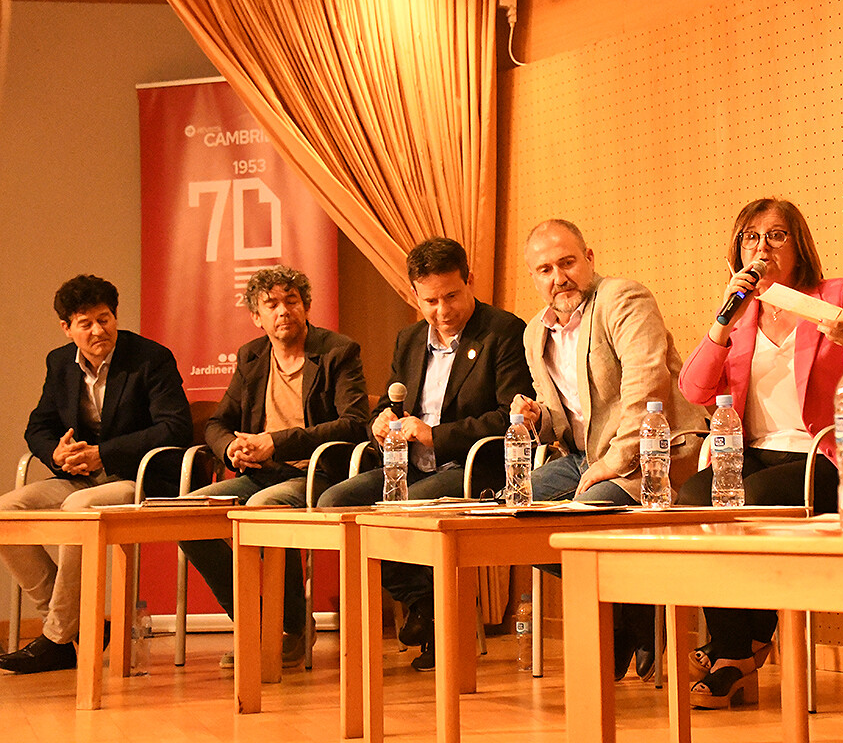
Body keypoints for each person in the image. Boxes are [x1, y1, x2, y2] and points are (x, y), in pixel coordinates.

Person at [676, 197, 843, 709]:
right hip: (750, 455)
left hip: (822, 457)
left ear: (798, 244)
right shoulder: (741, 315)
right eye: (750, 238)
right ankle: (744, 646)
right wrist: (721, 321)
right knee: (693, 499)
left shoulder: (835, 294)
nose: (762, 248)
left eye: (775, 236)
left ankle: (735, 656)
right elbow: (694, 389)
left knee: (747, 503)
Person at [317, 237, 532, 671]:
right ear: (414, 294)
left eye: (452, 295)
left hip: (472, 467)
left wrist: (436, 435)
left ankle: (440, 624)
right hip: (409, 466)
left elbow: (512, 417)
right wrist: (381, 420)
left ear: (469, 281)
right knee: (334, 504)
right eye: (430, 300)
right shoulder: (410, 339)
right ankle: (425, 604)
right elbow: (393, 401)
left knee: (407, 509)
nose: (442, 310)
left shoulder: (503, 331)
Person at [511, 218, 707, 679]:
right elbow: (563, 419)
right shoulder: (534, 333)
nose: (558, 278)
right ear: (533, 277)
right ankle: (632, 611)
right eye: (544, 270)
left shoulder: (623, 298)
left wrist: (615, 461)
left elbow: (647, 383)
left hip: (655, 452)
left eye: (567, 263)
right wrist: (537, 417)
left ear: (589, 259)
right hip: (583, 458)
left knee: (588, 510)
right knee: (513, 517)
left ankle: (626, 623)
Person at [179, 265, 369, 668]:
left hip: (316, 474)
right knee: (186, 515)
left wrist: (275, 443)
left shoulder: (338, 351)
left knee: (262, 509)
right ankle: (258, 622)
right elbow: (216, 422)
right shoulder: (252, 356)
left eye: (291, 301)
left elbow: (353, 423)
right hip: (260, 474)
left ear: (306, 307)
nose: (283, 311)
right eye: (272, 304)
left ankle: (291, 629)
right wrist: (231, 447)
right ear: (257, 317)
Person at [0, 275, 191, 674]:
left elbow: (174, 427)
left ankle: (56, 638)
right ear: (67, 328)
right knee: (6, 513)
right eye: (85, 323)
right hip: (81, 475)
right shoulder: (59, 363)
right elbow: (38, 425)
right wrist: (57, 452)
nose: (98, 331)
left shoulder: (151, 358)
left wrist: (102, 454)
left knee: (77, 508)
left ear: (115, 317)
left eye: (105, 319)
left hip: (139, 475)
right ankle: (80, 625)